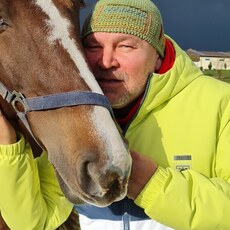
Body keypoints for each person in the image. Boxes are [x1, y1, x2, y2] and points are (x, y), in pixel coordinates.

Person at [1, 0, 230, 229]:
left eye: (125, 46)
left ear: (157, 54)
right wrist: (8, 147)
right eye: (93, 46)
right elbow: (36, 221)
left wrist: (153, 185)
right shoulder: (83, 122)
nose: (106, 61)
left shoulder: (220, 104)